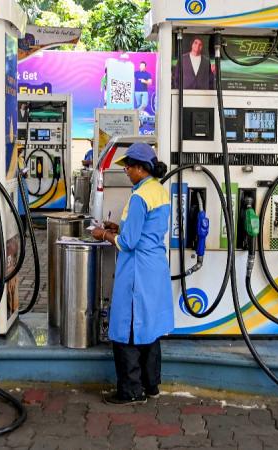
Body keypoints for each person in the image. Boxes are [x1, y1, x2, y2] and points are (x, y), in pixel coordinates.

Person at [91, 143, 173, 405]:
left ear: (141, 167)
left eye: (128, 166)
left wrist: (103, 234)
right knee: (148, 327)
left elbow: (128, 243)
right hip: (154, 268)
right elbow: (146, 229)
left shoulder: (139, 197)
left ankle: (131, 392)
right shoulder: (158, 190)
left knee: (126, 327)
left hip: (137, 269)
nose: (125, 170)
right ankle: (151, 386)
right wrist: (119, 227)